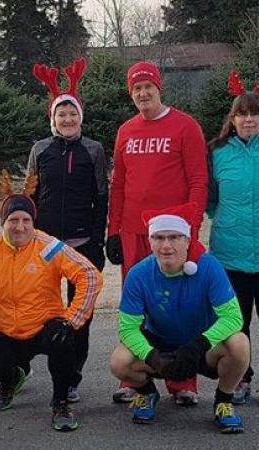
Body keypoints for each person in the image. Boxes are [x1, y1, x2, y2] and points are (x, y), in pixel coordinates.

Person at [107, 61, 208, 404]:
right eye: (136, 89)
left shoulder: (185, 126)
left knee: (178, 305)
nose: (143, 93)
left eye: (148, 86)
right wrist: (113, 231)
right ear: (131, 94)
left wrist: (190, 230)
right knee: (137, 305)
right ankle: (136, 376)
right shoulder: (126, 131)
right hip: (135, 232)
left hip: (173, 235)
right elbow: (118, 185)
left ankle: (183, 382)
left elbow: (198, 181)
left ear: (158, 88)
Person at [0, 180, 103, 432]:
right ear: (2, 222)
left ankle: (60, 402)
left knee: (64, 341)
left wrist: (71, 319)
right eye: (13, 220)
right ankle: (11, 378)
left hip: (45, 329)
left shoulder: (48, 247)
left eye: (26, 220)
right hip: (8, 332)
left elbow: (90, 275)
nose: (19, 227)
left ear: (33, 222)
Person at [110, 202, 249, 433]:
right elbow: (127, 328)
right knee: (119, 361)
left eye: (174, 237)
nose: (166, 246)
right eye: (159, 238)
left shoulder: (209, 266)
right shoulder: (138, 274)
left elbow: (233, 317)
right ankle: (147, 393)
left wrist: (199, 344)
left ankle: (223, 401)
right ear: (150, 241)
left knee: (240, 344)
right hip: (160, 344)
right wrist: (151, 356)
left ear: (187, 240)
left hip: (202, 344)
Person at [28, 59, 108, 402]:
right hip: (45, 244)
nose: (68, 119)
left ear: (80, 117)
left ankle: (71, 375)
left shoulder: (93, 150)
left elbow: (102, 198)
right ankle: (21, 366)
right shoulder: (40, 149)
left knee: (80, 314)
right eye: (61, 114)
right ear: (53, 118)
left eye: (72, 114)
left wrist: (100, 241)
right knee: (40, 310)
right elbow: (29, 196)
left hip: (82, 243)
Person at [208, 71, 259, 405]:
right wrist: (224, 219)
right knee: (236, 323)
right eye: (242, 113)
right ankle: (241, 379)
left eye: (255, 113)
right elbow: (210, 199)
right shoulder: (217, 151)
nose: (249, 119)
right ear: (233, 118)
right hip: (230, 253)